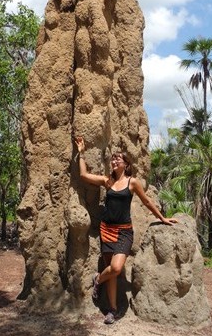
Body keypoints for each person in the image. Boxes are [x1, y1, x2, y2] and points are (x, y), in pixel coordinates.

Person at [74, 136, 178, 325]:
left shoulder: (132, 182)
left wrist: (162, 218)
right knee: (113, 274)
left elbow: (146, 201)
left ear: (126, 164)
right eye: (112, 159)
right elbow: (84, 176)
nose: (114, 161)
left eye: (118, 159)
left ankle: (97, 279)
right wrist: (80, 153)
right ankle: (111, 311)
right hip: (106, 229)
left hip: (124, 232)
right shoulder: (107, 182)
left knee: (116, 268)